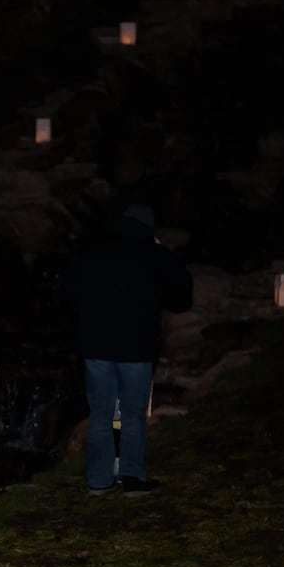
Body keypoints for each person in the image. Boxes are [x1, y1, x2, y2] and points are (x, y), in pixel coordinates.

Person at [62, 203, 193, 496]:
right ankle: (132, 477)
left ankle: (98, 479)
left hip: (97, 346)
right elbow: (183, 291)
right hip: (136, 348)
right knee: (133, 415)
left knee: (100, 414)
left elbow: (68, 288)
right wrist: (162, 252)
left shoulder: (94, 251)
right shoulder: (152, 253)